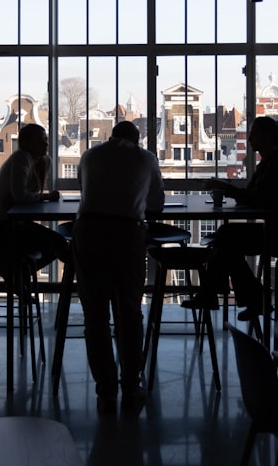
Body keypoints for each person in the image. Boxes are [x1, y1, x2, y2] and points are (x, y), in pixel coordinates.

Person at [73, 120, 166, 415]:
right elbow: (157, 205)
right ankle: (131, 384)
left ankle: (105, 389)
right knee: (129, 312)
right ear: (137, 140)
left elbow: (83, 188)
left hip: (88, 232)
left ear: (111, 136)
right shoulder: (146, 158)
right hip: (127, 234)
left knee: (95, 316)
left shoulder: (89, 155)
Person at [183, 116, 278, 320]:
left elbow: (256, 199)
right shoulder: (271, 163)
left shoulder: (273, 166)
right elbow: (255, 197)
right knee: (226, 239)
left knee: (226, 238)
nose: (249, 139)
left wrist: (225, 188)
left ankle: (219, 294)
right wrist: (232, 191)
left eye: (254, 134)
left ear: (266, 137)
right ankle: (243, 297)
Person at [0, 123, 68, 267]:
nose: (46, 144)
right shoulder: (21, 157)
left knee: (56, 243)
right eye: (40, 141)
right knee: (57, 243)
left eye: (46, 140)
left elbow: (23, 196)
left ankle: (18, 273)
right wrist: (46, 197)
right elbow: (20, 196)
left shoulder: (40, 161)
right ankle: (15, 272)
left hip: (0, 224)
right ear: (27, 143)